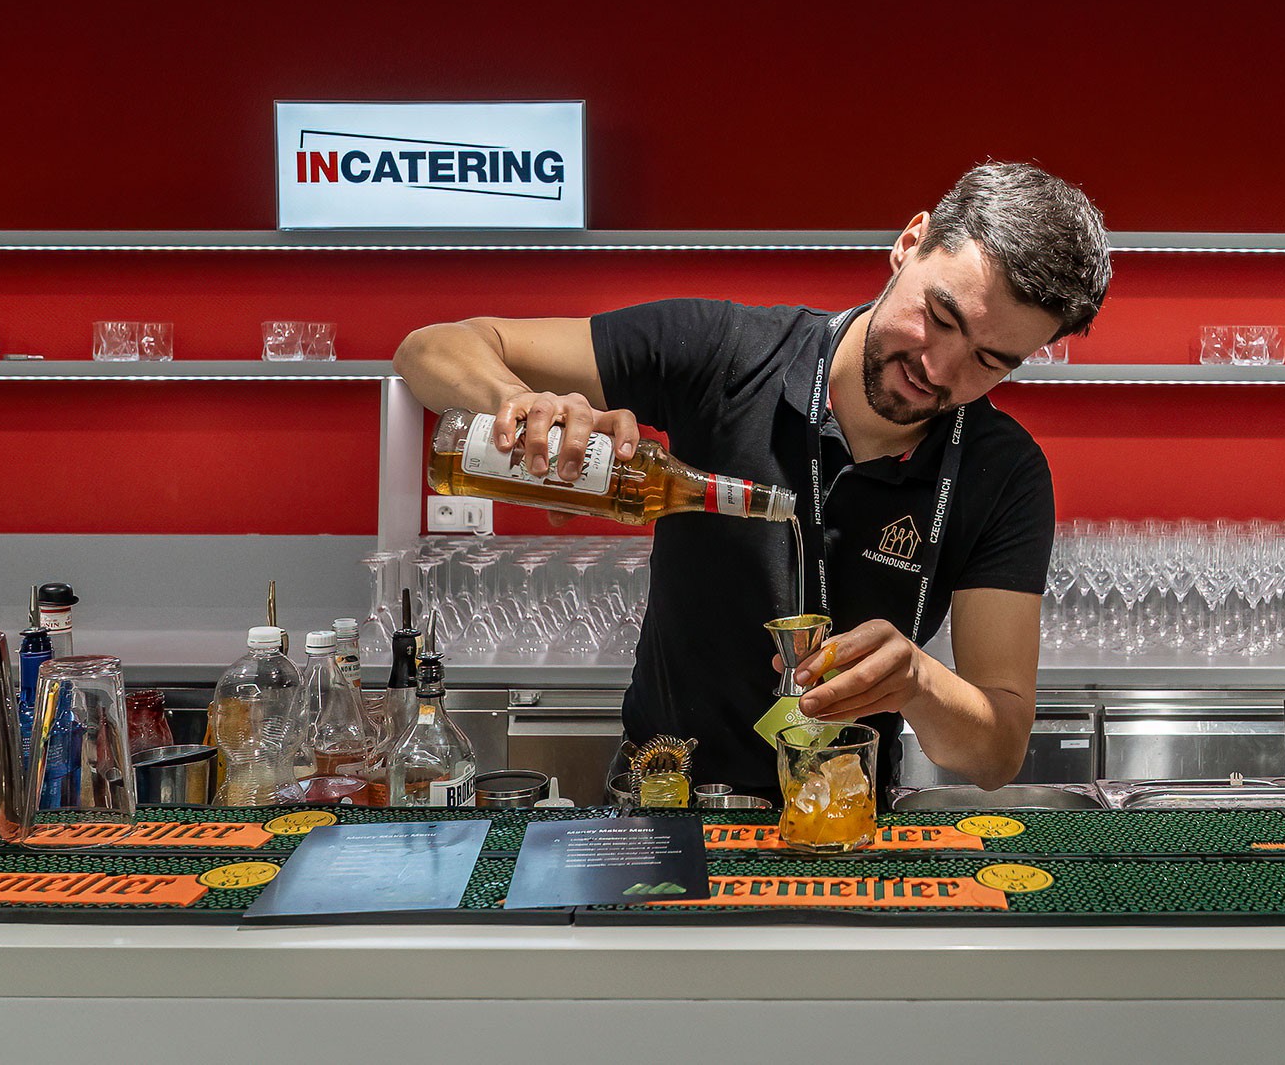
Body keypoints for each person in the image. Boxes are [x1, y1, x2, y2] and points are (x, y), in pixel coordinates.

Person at [393, 161, 1111, 800]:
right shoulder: (726, 354)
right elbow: (432, 348)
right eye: (940, 316)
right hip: (660, 807)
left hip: (841, 820)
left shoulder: (1004, 471)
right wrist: (519, 406)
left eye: (990, 361)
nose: (941, 369)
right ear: (910, 241)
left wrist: (918, 683)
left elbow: (996, 751)